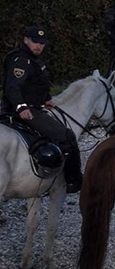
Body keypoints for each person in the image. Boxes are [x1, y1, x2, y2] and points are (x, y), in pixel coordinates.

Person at [2, 26, 83, 193]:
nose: (38, 46)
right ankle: (73, 180)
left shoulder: (35, 60)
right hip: (24, 110)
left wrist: (46, 98)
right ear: (26, 40)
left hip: (33, 105)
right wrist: (21, 107)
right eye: (35, 42)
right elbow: (13, 87)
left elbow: (36, 84)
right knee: (67, 135)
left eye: (42, 43)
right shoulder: (21, 60)